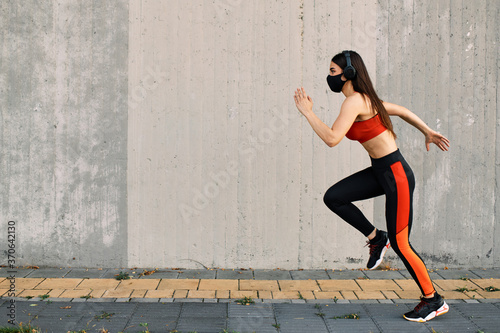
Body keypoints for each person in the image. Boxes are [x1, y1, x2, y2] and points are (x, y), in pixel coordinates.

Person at [293, 50, 450, 322]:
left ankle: (432, 299)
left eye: (332, 71)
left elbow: (332, 138)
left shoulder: (355, 102)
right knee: (335, 197)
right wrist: (426, 130)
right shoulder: (365, 100)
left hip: (396, 173)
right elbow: (400, 111)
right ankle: (377, 237)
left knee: (402, 244)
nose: (329, 77)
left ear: (348, 74)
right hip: (381, 171)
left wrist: (308, 113)